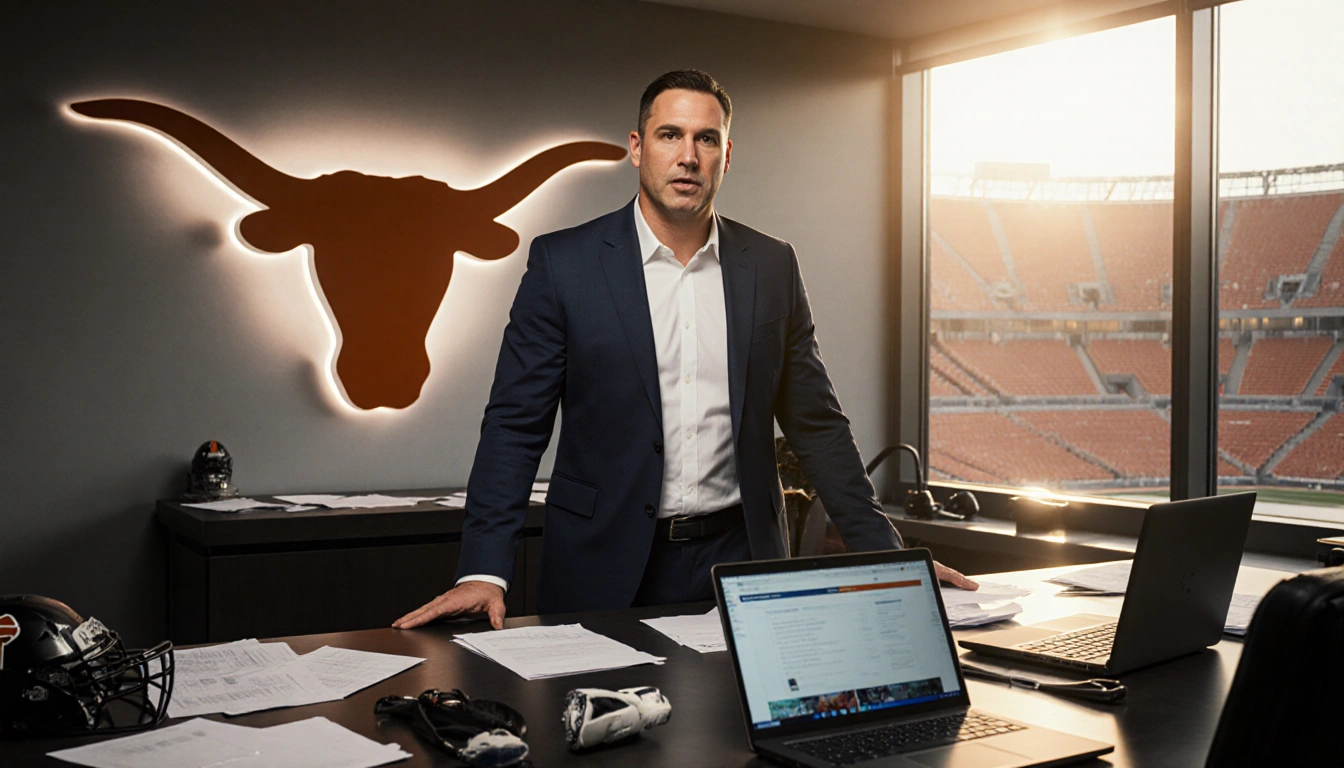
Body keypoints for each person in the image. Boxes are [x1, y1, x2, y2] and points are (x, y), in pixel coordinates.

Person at [394, 70, 974, 631]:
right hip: (602, 563)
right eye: (670, 134)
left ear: (727, 154)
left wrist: (890, 556)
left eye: (707, 138)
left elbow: (817, 427)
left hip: (743, 560)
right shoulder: (563, 265)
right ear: (637, 148)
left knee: (741, 730)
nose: (688, 155)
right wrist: (483, 570)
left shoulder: (771, 266)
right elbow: (514, 428)